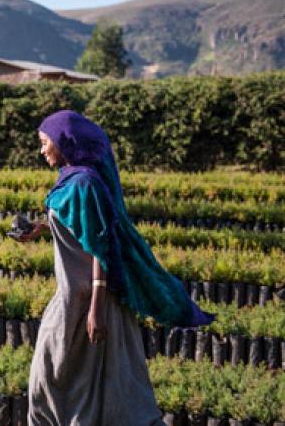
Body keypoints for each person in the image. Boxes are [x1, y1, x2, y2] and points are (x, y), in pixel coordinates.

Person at [12, 110, 215, 426]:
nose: (42, 151)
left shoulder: (85, 184)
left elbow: (101, 247)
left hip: (88, 301)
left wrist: (96, 308)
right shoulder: (71, 179)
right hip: (70, 297)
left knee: (94, 386)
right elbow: (82, 227)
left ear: (65, 142)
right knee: (49, 378)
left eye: (44, 143)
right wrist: (41, 227)